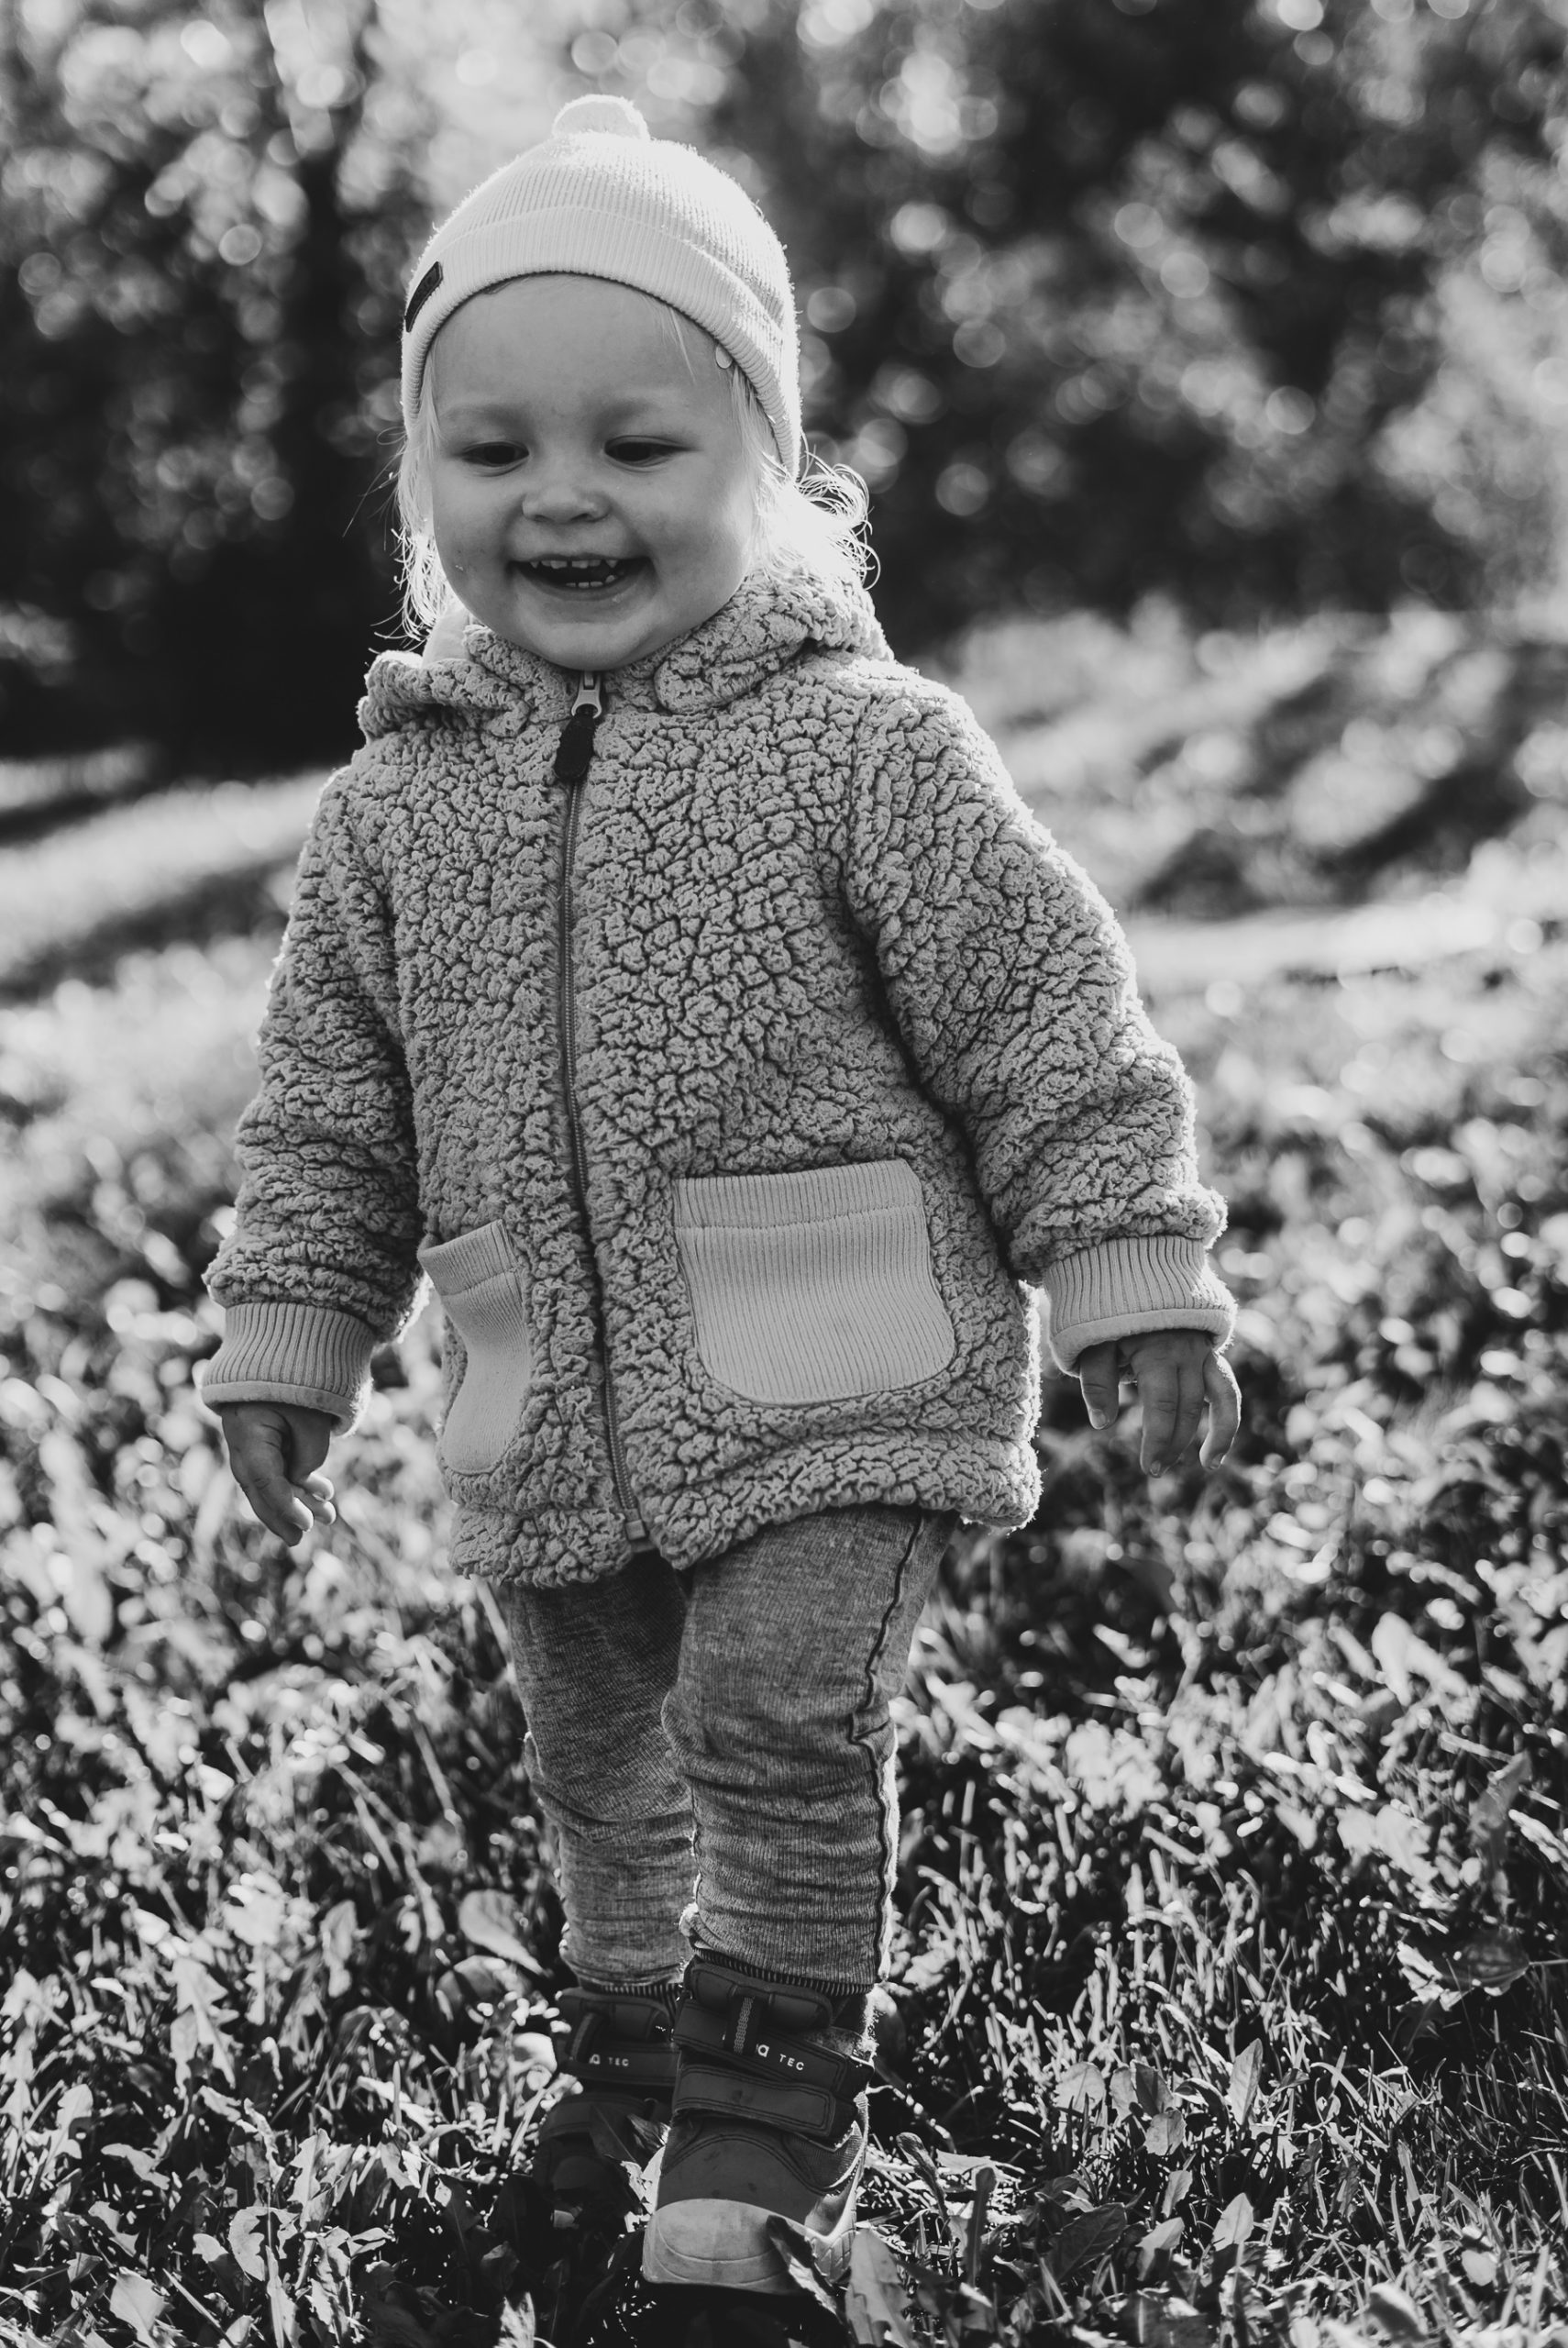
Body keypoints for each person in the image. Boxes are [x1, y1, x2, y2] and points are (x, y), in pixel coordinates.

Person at [202, 95, 1242, 2298]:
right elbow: (330, 1113)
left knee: (772, 1718)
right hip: (542, 1393)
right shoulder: (394, 804)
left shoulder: (863, 747)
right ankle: (638, 2053)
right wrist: (293, 1328)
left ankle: (762, 2129)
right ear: (421, 476)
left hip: (843, 1360)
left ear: (764, 455)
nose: (562, 494)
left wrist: (1128, 1258)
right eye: (493, 448)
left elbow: (1039, 1011)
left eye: (638, 444)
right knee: (600, 1761)